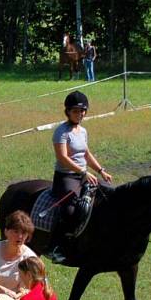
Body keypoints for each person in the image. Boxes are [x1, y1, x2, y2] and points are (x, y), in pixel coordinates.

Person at [50, 90, 113, 263]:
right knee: (70, 210)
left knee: (108, 197)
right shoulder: (61, 132)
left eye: (82, 111)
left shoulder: (82, 131)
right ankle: (58, 247)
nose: (80, 114)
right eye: (76, 111)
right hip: (66, 177)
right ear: (68, 112)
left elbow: (86, 153)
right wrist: (83, 172)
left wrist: (101, 171)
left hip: (85, 175)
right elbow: (62, 157)